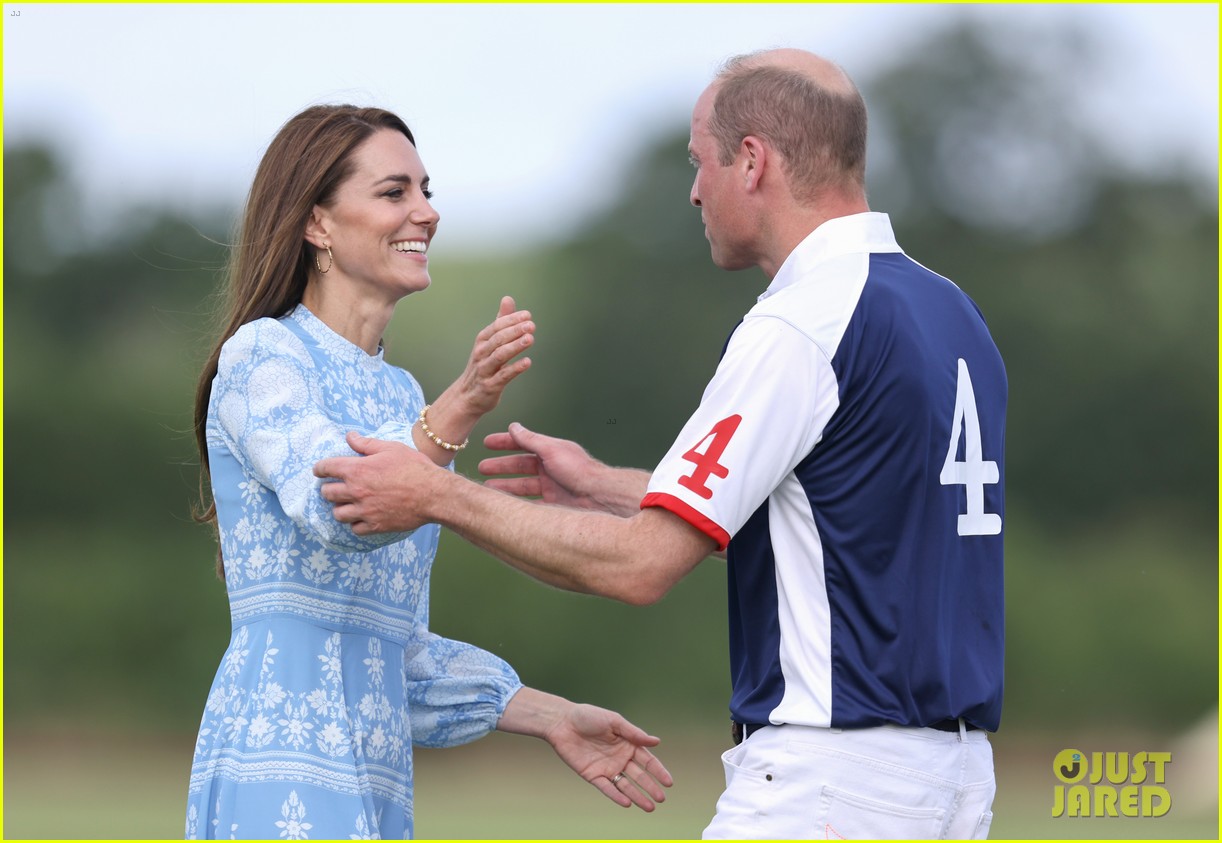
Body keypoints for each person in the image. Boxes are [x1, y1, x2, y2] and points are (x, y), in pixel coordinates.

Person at [315, 47, 1006, 840]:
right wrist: (608, 484)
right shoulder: (950, 312)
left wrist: (437, 492)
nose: (694, 189)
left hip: (830, 786)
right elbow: (837, 530)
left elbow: (641, 566)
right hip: (952, 782)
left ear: (752, 162)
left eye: (699, 161)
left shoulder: (802, 323)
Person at [186, 104, 671, 840]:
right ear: (316, 223)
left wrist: (550, 715)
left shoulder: (401, 396)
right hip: (276, 769)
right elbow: (337, 504)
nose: (426, 211)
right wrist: (463, 402)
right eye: (394, 192)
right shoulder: (263, 356)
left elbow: (397, 652)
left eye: (426, 189)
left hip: (378, 787)